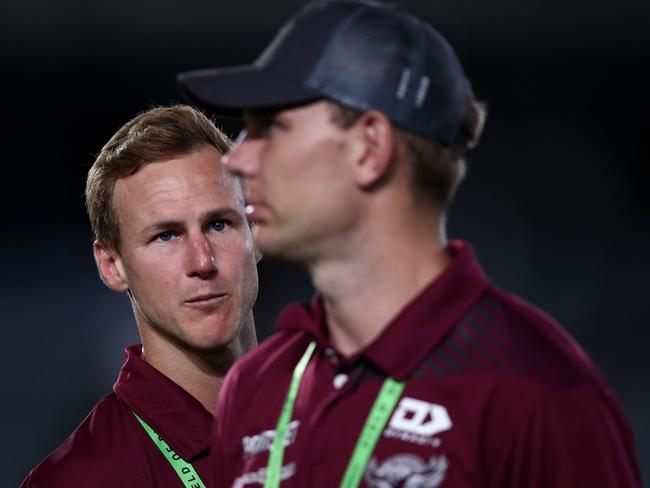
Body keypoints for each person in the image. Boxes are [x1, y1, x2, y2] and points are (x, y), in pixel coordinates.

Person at [178, 1, 641, 487]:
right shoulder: (256, 388)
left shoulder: (535, 393)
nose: (236, 159)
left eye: (270, 127)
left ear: (370, 147)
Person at [20, 105, 259, 487]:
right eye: (166, 235)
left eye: (219, 224)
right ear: (111, 265)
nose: (202, 261)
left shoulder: (341, 418)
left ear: (256, 232)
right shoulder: (78, 480)